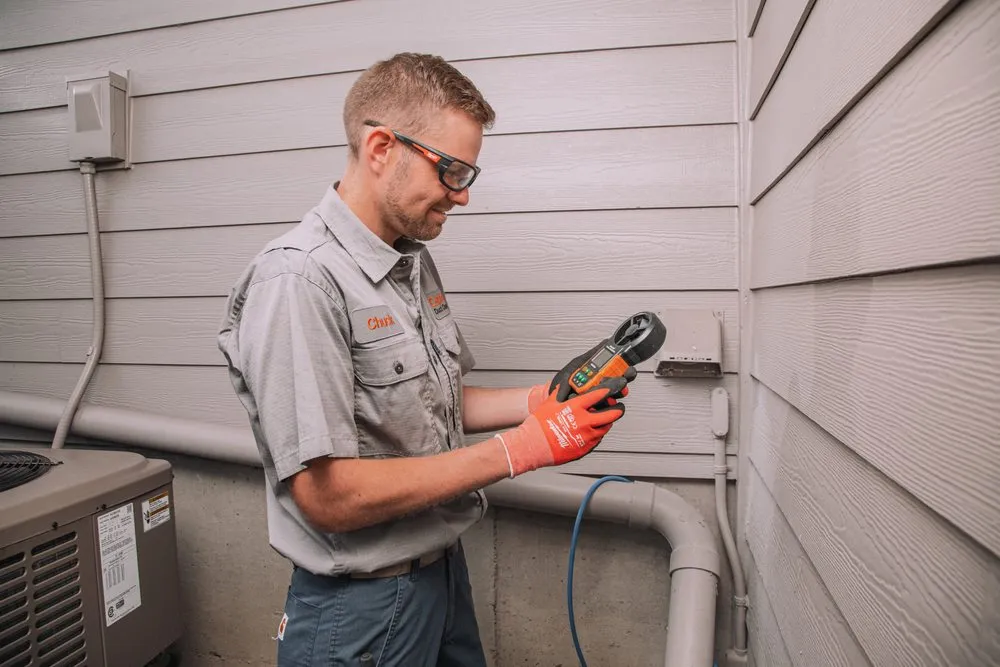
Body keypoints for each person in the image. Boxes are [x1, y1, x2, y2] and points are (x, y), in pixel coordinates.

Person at [217, 52, 636, 666]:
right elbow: (327, 494)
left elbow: (430, 400)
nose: (461, 197)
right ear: (382, 147)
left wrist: (539, 404)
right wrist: (524, 448)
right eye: (452, 172)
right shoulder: (300, 280)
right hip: (354, 609)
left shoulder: (407, 260)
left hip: (439, 576)